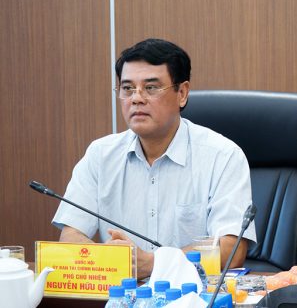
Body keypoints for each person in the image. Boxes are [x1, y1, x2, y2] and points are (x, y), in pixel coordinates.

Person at [52, 38, 256, 278]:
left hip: (192, 294)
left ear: (182, 93)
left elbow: (231, 249)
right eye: (127, 88)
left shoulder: (223, 156)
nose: (136, 98)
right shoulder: (100, 155)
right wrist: (110, 260)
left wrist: (152, 264)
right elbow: (71, 236)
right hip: (123, 293)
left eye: (150, 88)